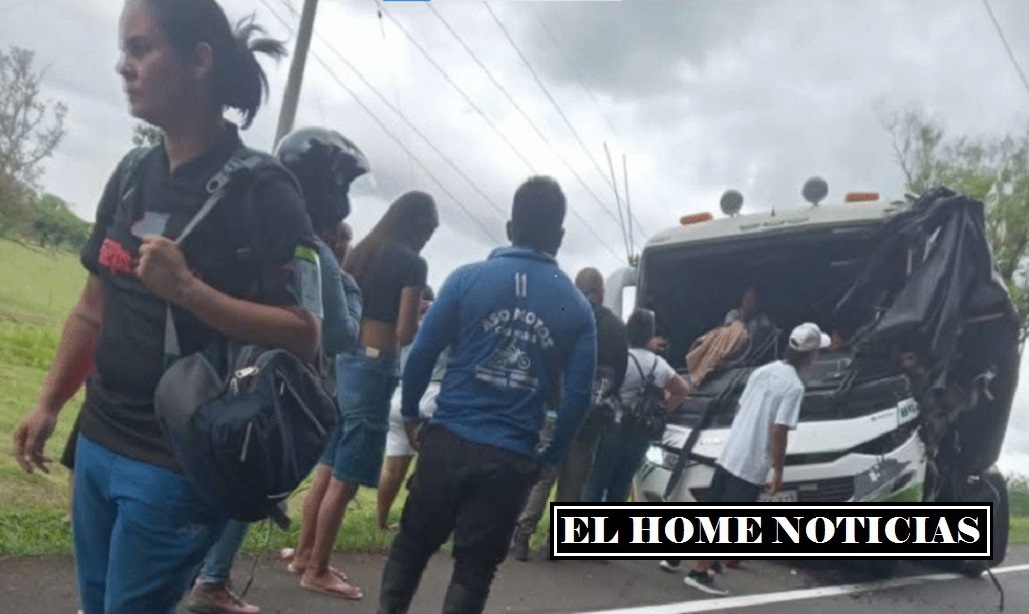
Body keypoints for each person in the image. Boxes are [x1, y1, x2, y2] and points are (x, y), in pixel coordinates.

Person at [11, 2, 321, 612]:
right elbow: (93, 305)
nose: (124, 67)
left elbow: (305, 335)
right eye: (124, 50)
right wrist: (49, 401)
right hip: (98, 438)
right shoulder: (133, 173)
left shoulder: (266, 189)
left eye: (141, 48)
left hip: (176, 461)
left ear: (198, 61)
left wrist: (190, 292)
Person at [378, 176, 597, 614]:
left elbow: (421, 353)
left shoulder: (465, 280)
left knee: (411, 546)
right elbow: (578, 399)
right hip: (512, 455)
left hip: (450, 439)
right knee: (474, 571)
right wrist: (550, 455)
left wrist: (410, 413)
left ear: (510, 227)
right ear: (559, 237)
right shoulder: (576, 308)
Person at [188, 127, 370, 614]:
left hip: (204, 376)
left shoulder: (236, 219)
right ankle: (213, 578)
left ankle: (194, 574)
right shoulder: (314, 251)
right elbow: (335, 335)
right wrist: (350, 292)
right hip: (266, 387)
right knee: (248, 481)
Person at [285, 191, 437, 601]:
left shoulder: (363, 251)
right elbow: (405, 332)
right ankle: (317, 569)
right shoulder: (412, 262)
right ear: (420, 226)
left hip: (341, 360)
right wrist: (426, 322)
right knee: (347, 475)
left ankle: (303, 554)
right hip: (373, 367)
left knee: (328, 465)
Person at [670, 322, 830, 596]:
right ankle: (699, 572)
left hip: (732, 451)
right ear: (810, 355)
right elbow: (779, 430)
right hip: (752, 461)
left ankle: (682, 559)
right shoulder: (794, 387)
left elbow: (740, 406)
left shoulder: (763, 370)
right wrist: (778, 470)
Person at [509, 266, 628, 561]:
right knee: (574, 481)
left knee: (544, 476)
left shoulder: (562, 314)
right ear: (600, 291)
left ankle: (522, 538)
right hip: (590, 416)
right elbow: (620, 374)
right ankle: (555, 544)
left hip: (556, 409)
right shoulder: (615, 326)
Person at [582, 309, 690, 503]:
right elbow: (682, 390)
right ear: (650, 333)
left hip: (614, 428)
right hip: (641, 433)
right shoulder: (660, 364)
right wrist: (663, 410)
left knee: (595, 484)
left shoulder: (623, 357)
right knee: (622, 486)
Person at [377, 287, 447, 531]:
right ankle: (416, 525)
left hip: (400, 393)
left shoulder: (405, 325)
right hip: (434, 394)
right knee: (430, 470)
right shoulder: (445, 320)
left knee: (392, 469)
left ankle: (381, 523)